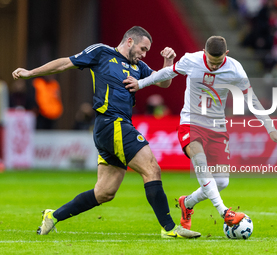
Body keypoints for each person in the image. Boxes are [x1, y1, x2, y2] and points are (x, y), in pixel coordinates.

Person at [12, 26, 201, 239]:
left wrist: (168, 63)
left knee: (104, 193)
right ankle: (169, 228)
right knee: (151, 169)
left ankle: (53, 216)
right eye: (142, 48)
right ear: (129, 41)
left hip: (113, 130)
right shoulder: (101, 52)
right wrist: (31, 73)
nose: (144, 54)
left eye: (147, 51)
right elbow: (65, 63)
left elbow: (163, 82)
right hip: (112, 124)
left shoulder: (138, 66)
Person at [124, 36, 277, 230]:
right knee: (200, 162)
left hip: (217, 128)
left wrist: (271, 128)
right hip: (191, 123)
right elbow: (167, 72)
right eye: (210, 61)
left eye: (218, 62)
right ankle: (224, 211)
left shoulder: (235, 69)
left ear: (226, 54)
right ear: (204, 52)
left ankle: (188, 203)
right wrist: (141, 83)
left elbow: (251, 100)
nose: (213, 66)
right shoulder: (191, 60)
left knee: (221, 181)